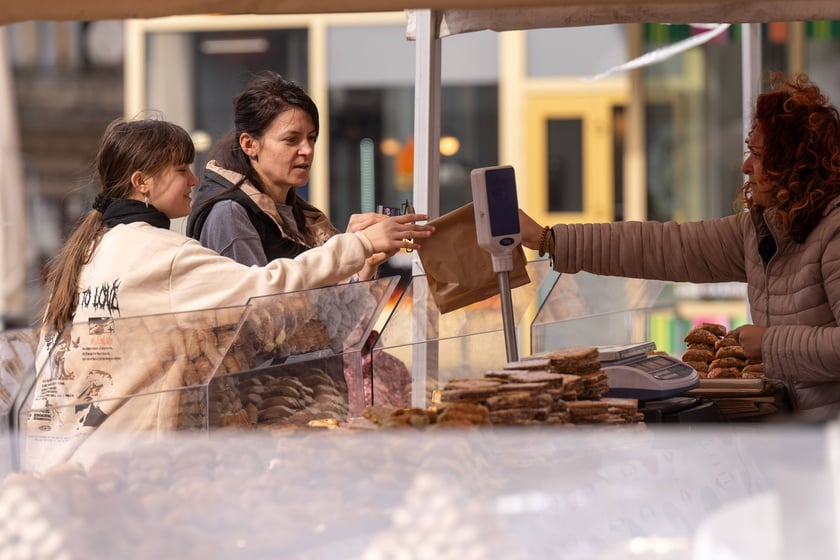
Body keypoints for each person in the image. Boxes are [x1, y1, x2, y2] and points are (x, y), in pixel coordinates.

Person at [25, 117, 433, 469]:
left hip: (69, 460)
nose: (193, 179)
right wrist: (357, 245)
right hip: (128, 462)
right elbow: (265, 289)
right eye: (181, 169)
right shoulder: (161, 254)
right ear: (141, 182)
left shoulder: (91, 251)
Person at [519, 72, 840, 418]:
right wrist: (549, 239)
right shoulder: (761, 230)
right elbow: (660, 246)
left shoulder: (833, 232)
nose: (746, 166)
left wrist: (768, 343)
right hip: (803, 432)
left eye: (760, 156)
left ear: (796, 166)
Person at [187, 71, 388, 281]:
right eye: (291, 140)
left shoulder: (300, 215)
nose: (307, 150)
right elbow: (258, 299)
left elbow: (327, 301)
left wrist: (362, 263)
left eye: (312, 138)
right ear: (249, 144)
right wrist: (348, 250)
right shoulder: (230, 213)